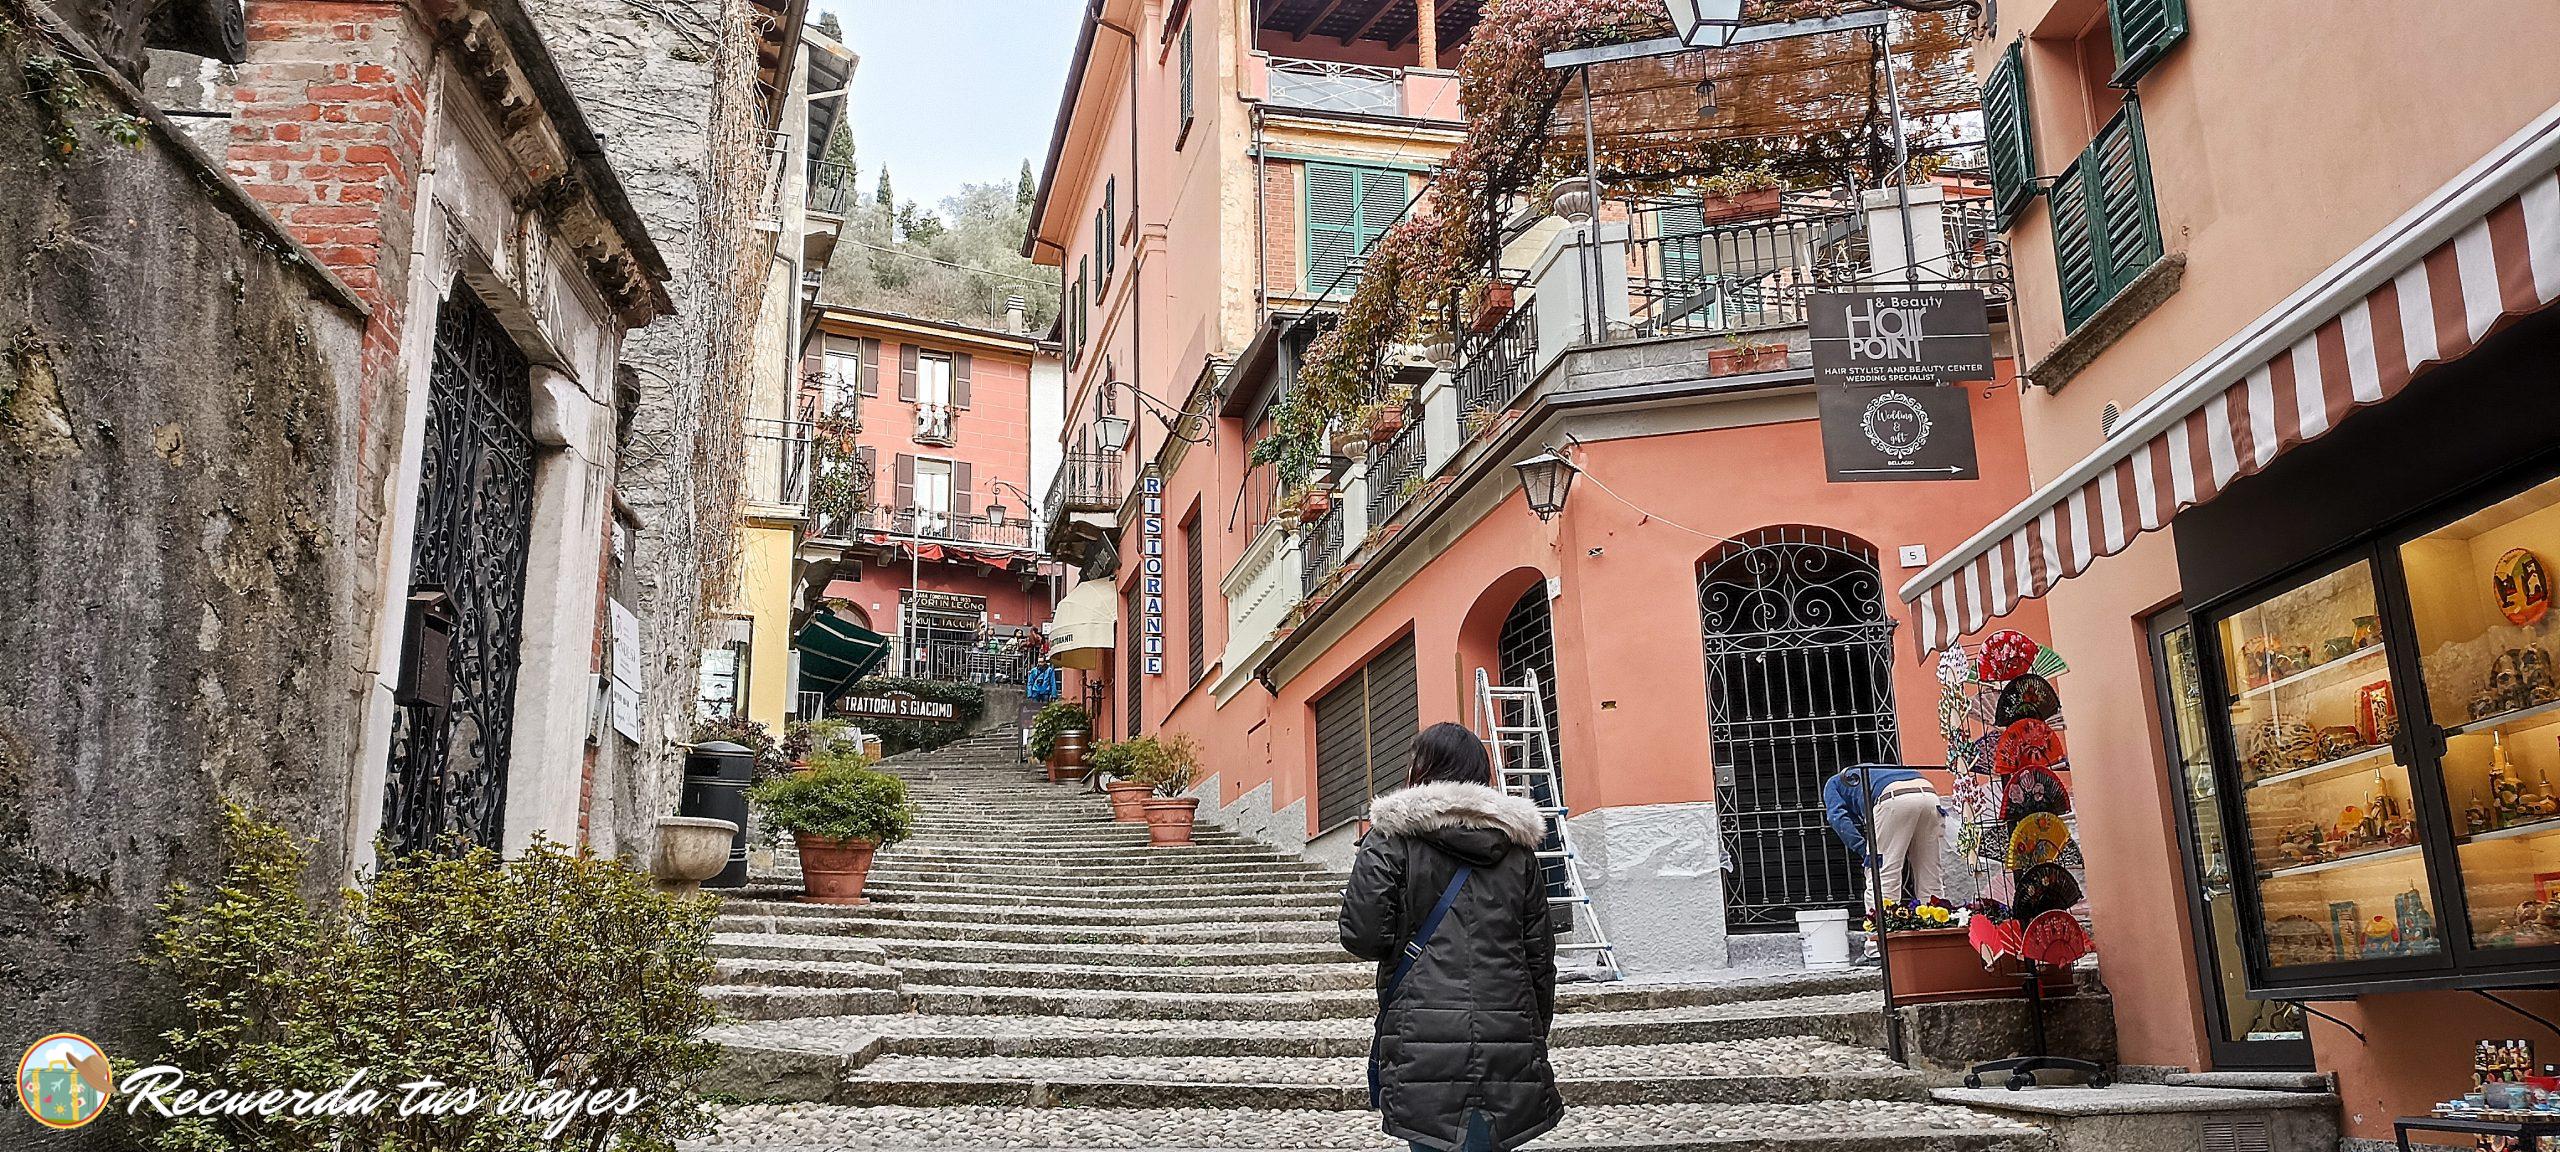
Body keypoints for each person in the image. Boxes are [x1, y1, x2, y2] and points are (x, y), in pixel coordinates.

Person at [1339, 722, 1562, 1152]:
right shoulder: (1518, 852)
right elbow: (1539, 959)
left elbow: (1362, 937)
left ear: (1421, 770)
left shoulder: (1388, 841)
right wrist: (1530, 1033)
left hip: (1422, 1035)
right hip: (1506, 1034)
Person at [1823, 765, 1948, 930]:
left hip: (1893, 798)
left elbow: (1838, 819)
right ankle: (1937, 931)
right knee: (1930, 873)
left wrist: (1864, 849)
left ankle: (1880, 944)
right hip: (1930, 795)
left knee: (1883, 873)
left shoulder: (1833, 784)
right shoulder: (1876, 771)